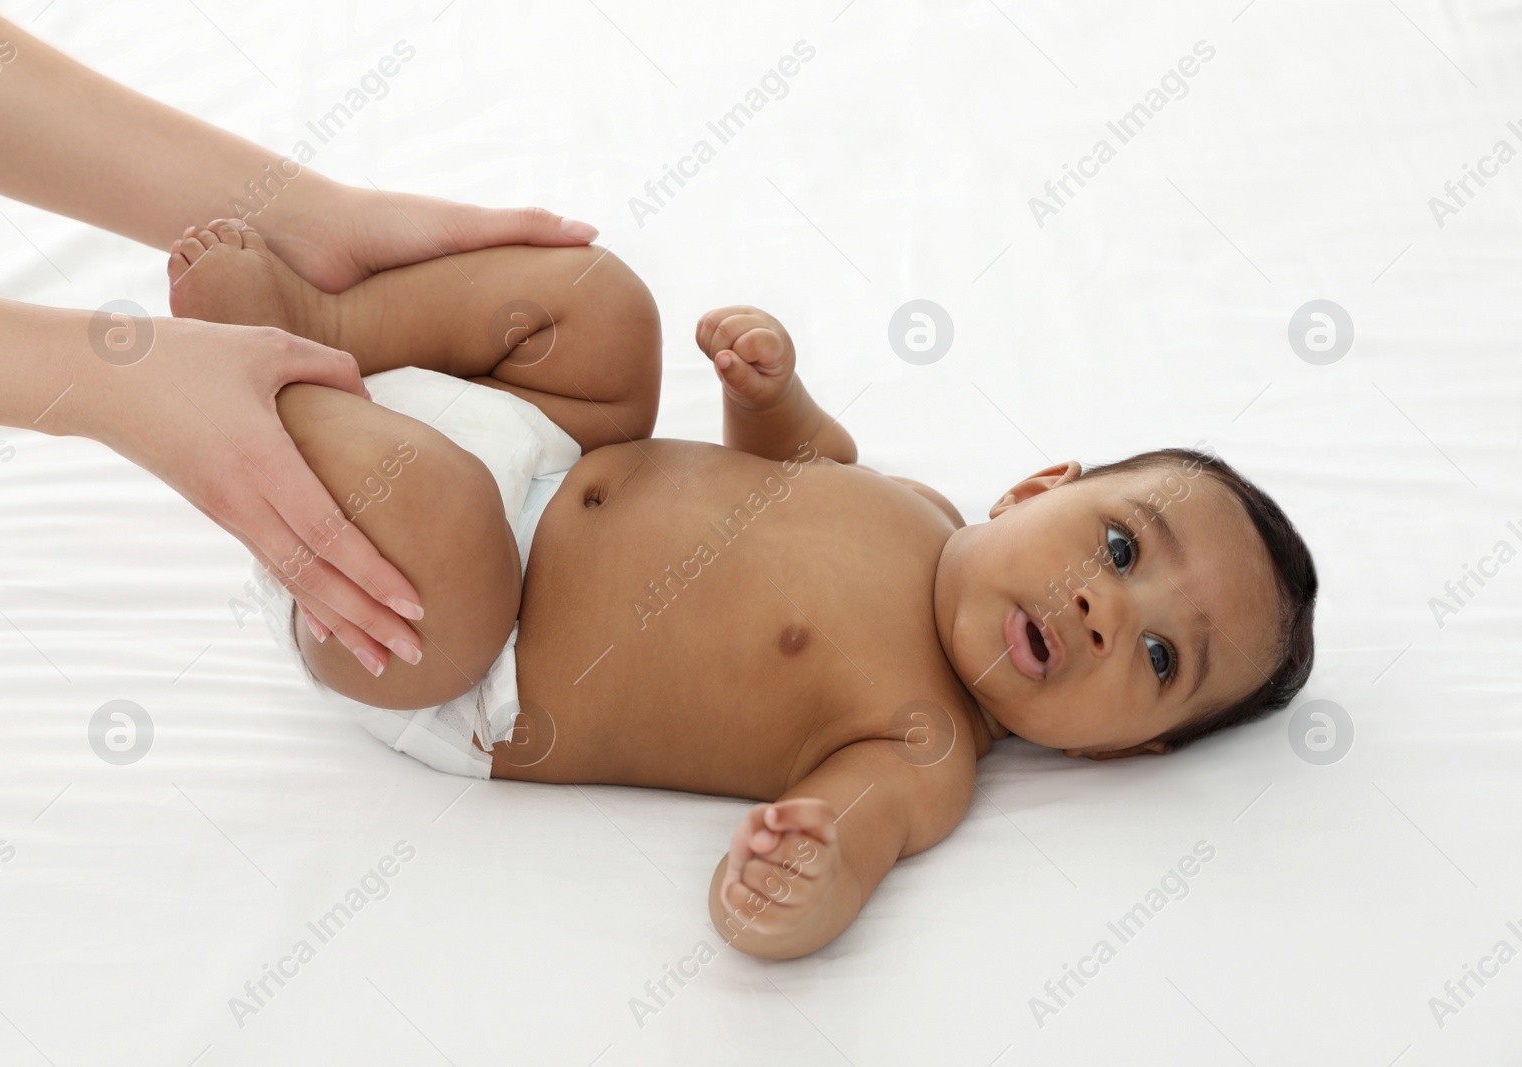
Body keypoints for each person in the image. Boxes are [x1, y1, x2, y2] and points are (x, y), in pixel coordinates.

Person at [165, 213, 1319, 960]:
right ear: (1033, 487)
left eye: (1163, 659)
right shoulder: (912, 503)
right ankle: (322, 326)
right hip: (541, 453)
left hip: (440, 642)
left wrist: (793, 887)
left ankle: (258, 399)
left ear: (1120, 750)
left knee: (450, 524)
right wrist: (768, 388)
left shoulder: (923, 748)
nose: (1105, 612)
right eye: (1119, 549)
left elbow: (849, 841)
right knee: (606, 306)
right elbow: (794, 464)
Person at [0, 0, 598, 676]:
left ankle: (293, 347)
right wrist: (112, 382)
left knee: (571, 324)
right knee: (581, 320)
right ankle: (296, 354)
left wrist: (307, 216)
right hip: (496, 571)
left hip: (495, 571)